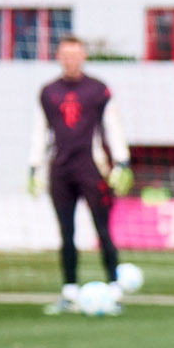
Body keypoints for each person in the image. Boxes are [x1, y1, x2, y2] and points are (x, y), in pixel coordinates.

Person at [34, 35, 133, 312]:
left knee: (103, 230)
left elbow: (113, 126)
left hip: (92, 169)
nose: (71, 59)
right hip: (60, 170)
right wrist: (34, 166)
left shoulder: (98, 90)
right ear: (59, 57)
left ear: (83, 57)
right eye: (66, 54)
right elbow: (40, 130)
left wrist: (122, 162)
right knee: (66, 233)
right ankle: (69, 292)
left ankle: (114, 291)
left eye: (75, 54)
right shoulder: (48, 92)